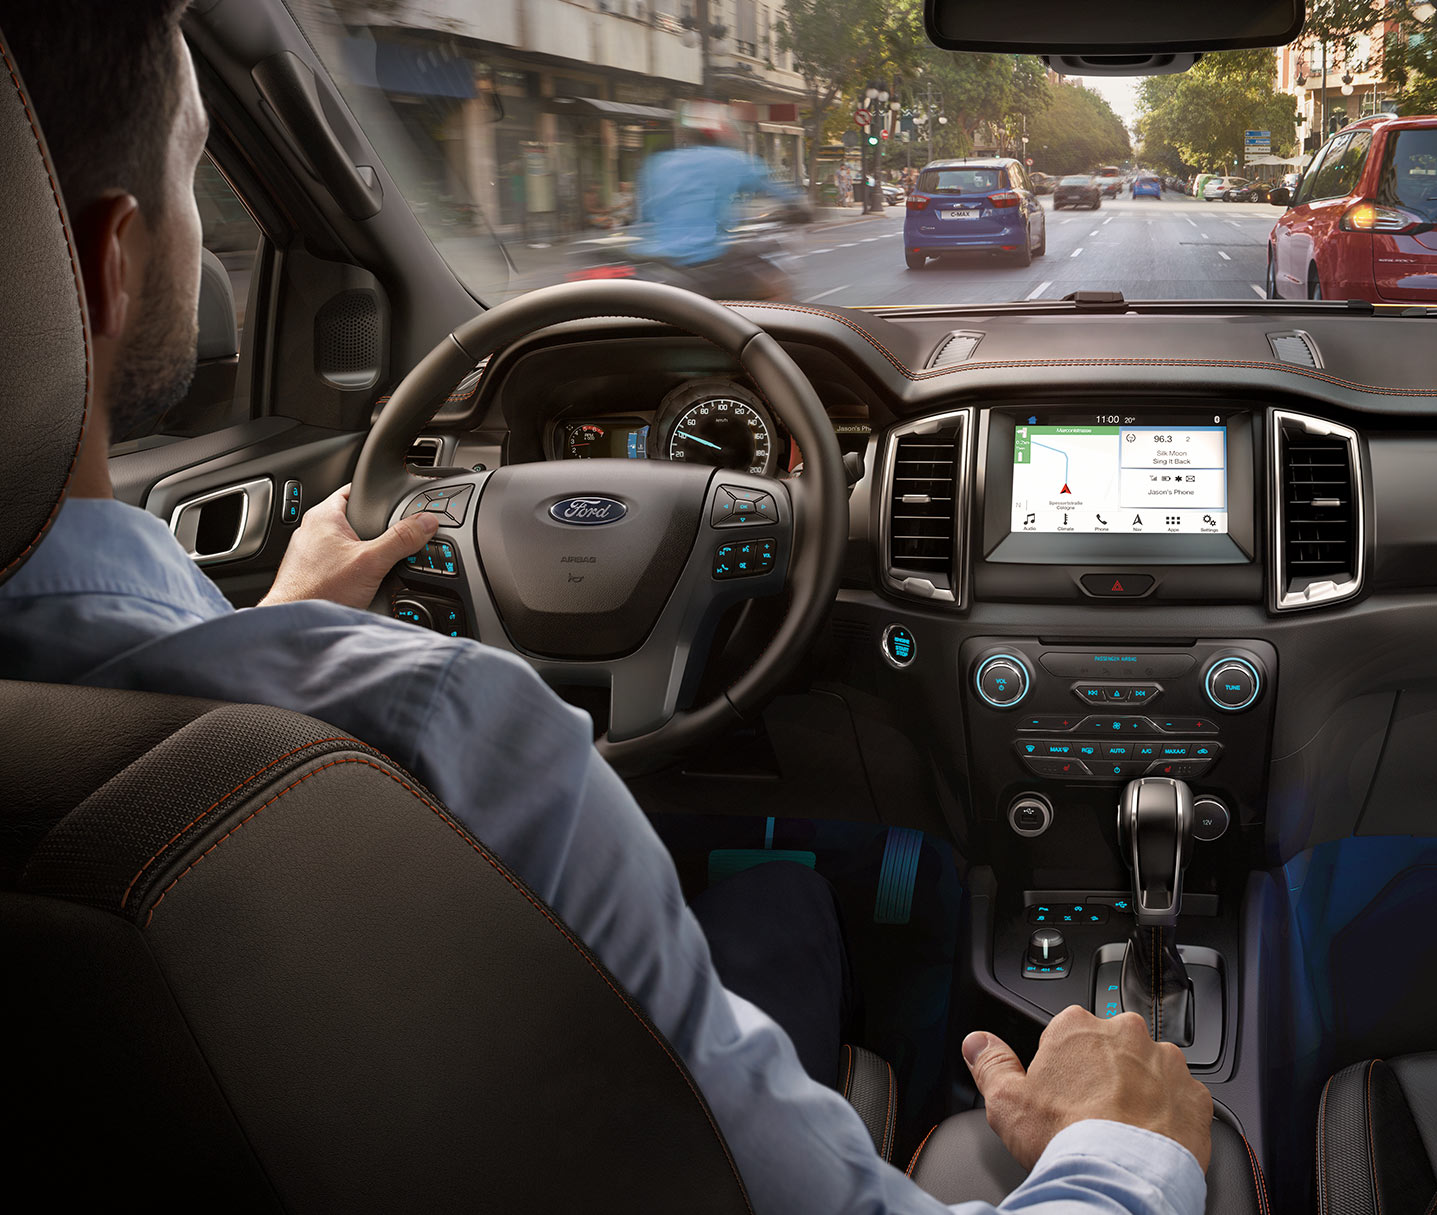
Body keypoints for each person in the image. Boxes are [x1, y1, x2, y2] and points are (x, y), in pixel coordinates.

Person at [0, 8, 1214, 1215]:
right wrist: (1125, 1150)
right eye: (189, 174)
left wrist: (276, 627)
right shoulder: (454, 726)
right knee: (790, 897)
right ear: (100, 265)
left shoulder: (209, 715)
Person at [629, 117, 793, 267]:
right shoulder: (730, 159)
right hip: (701, 254)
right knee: (771, 280)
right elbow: (770, 186)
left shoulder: (659, 162)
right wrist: (798, 205)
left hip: (652, 254)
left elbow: (642, 212)